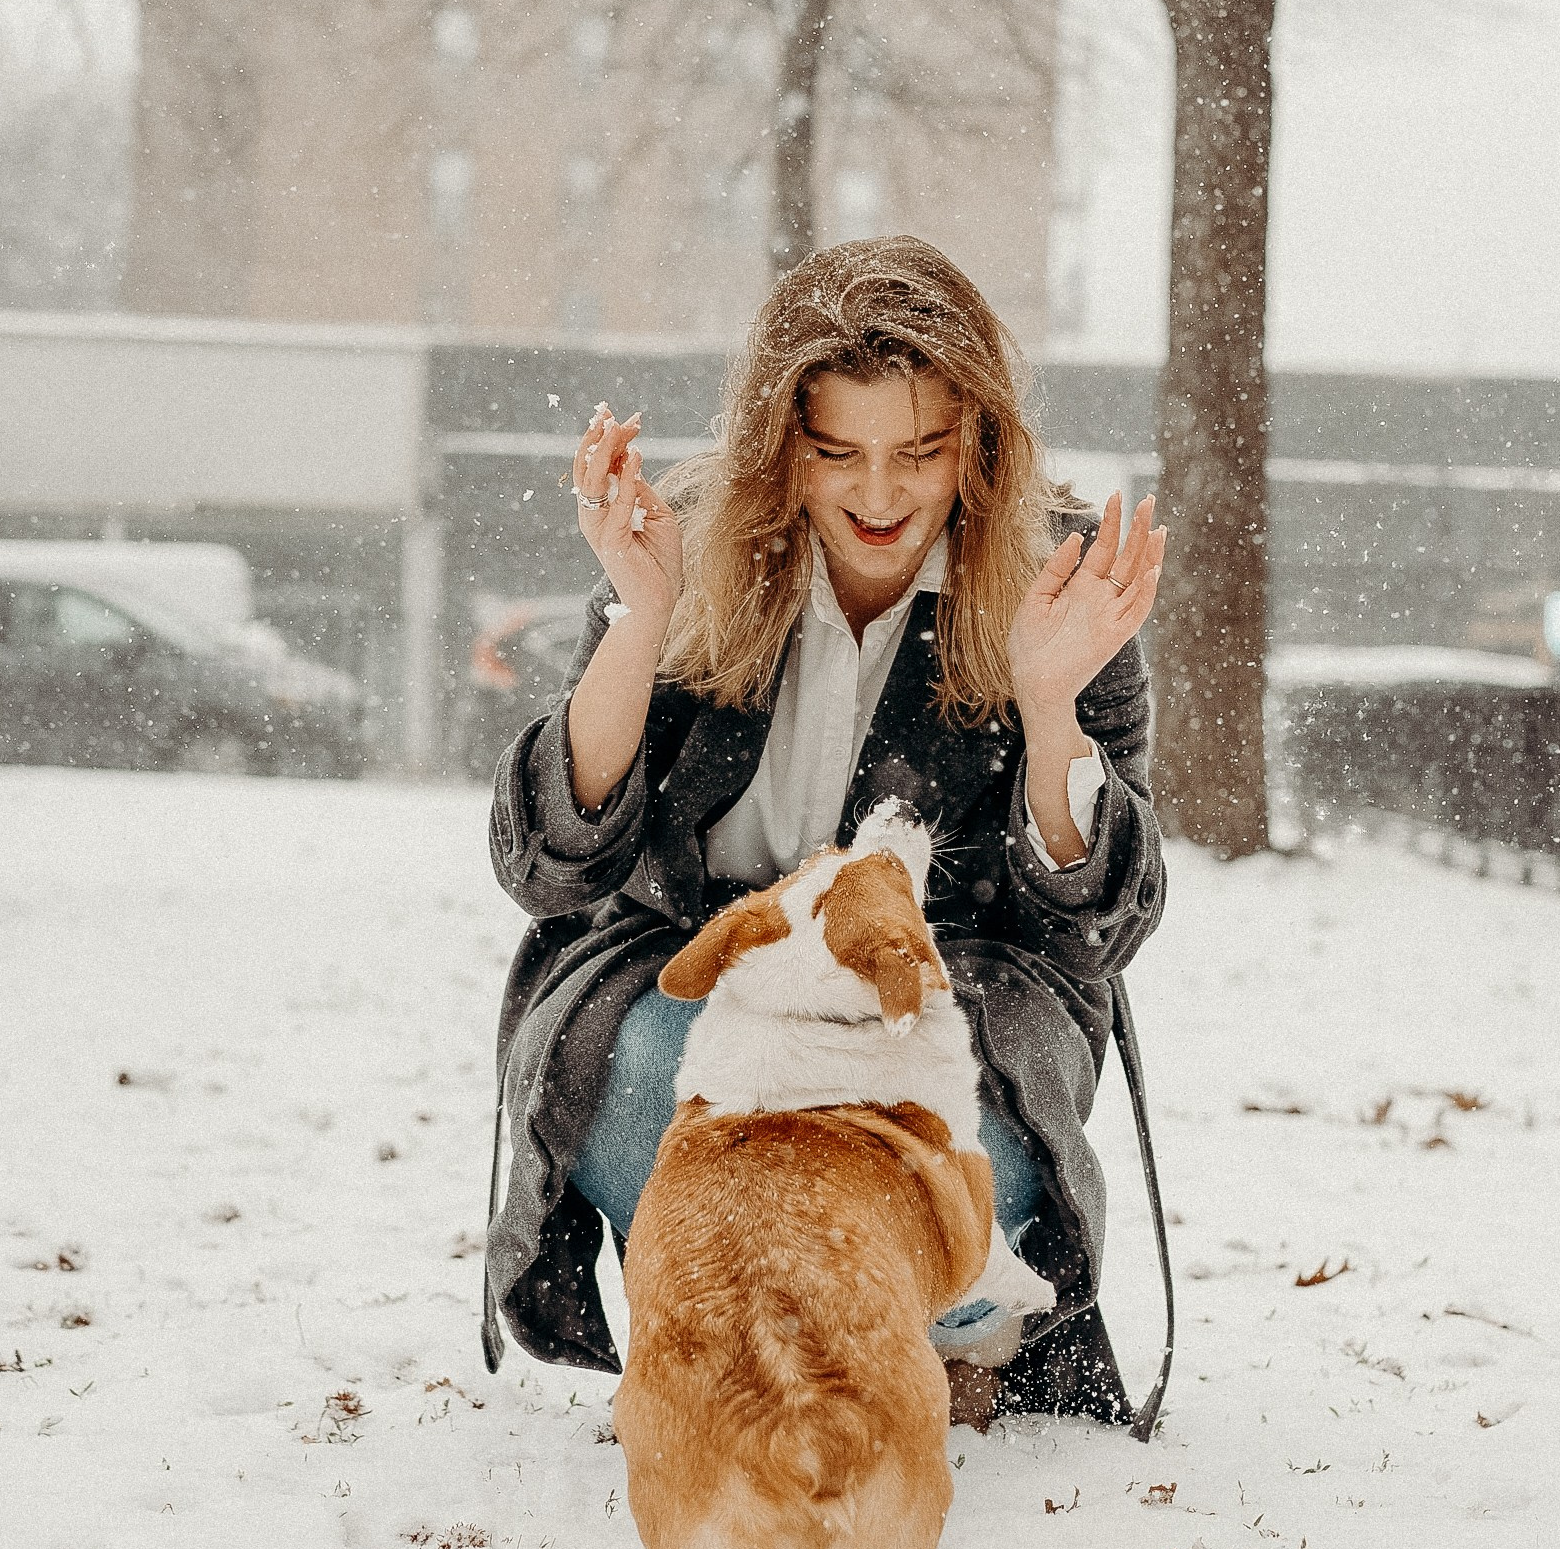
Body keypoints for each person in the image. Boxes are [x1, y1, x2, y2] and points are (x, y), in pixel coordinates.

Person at [482, 236, 1168, 1427]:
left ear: (980, 446)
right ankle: (803, 1317)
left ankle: (902, 1323)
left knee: (950, 1144)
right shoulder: (682, 542)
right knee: (643, 1072)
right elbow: (548, 863)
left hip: (947, 1006)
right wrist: (641, 624)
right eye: (833, 451)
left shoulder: (1050, 576)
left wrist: (1050, 703)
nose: (878, 494)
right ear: (776, 448)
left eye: (921, 451)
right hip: (693, 986)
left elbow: (1098, 924)